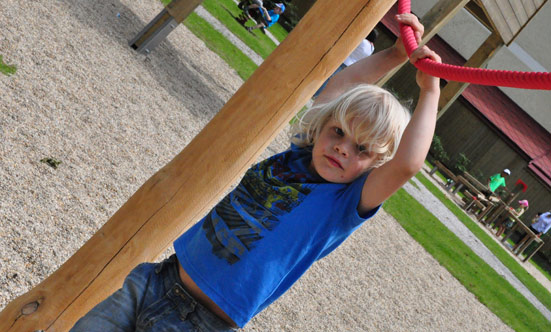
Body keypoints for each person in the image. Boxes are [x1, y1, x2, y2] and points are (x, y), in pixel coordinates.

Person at [71, 14, 441, 331]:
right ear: (323, 126)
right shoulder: (301, 154)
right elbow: (339, 87)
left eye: (361, 149)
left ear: (375, 164)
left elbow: (407, 164)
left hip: (196, 322)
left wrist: (430, 90)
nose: (343, 148)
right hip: (156, 279)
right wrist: (394, 54)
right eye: (338, 132)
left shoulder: (345, 203)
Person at [313, 30, 379, 98]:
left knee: (328, 77)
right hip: (350, 65)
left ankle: (316, 93)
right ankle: (319, 95)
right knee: (333, 81)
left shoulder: (363, 41)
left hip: (344, 60)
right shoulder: (372, 48)